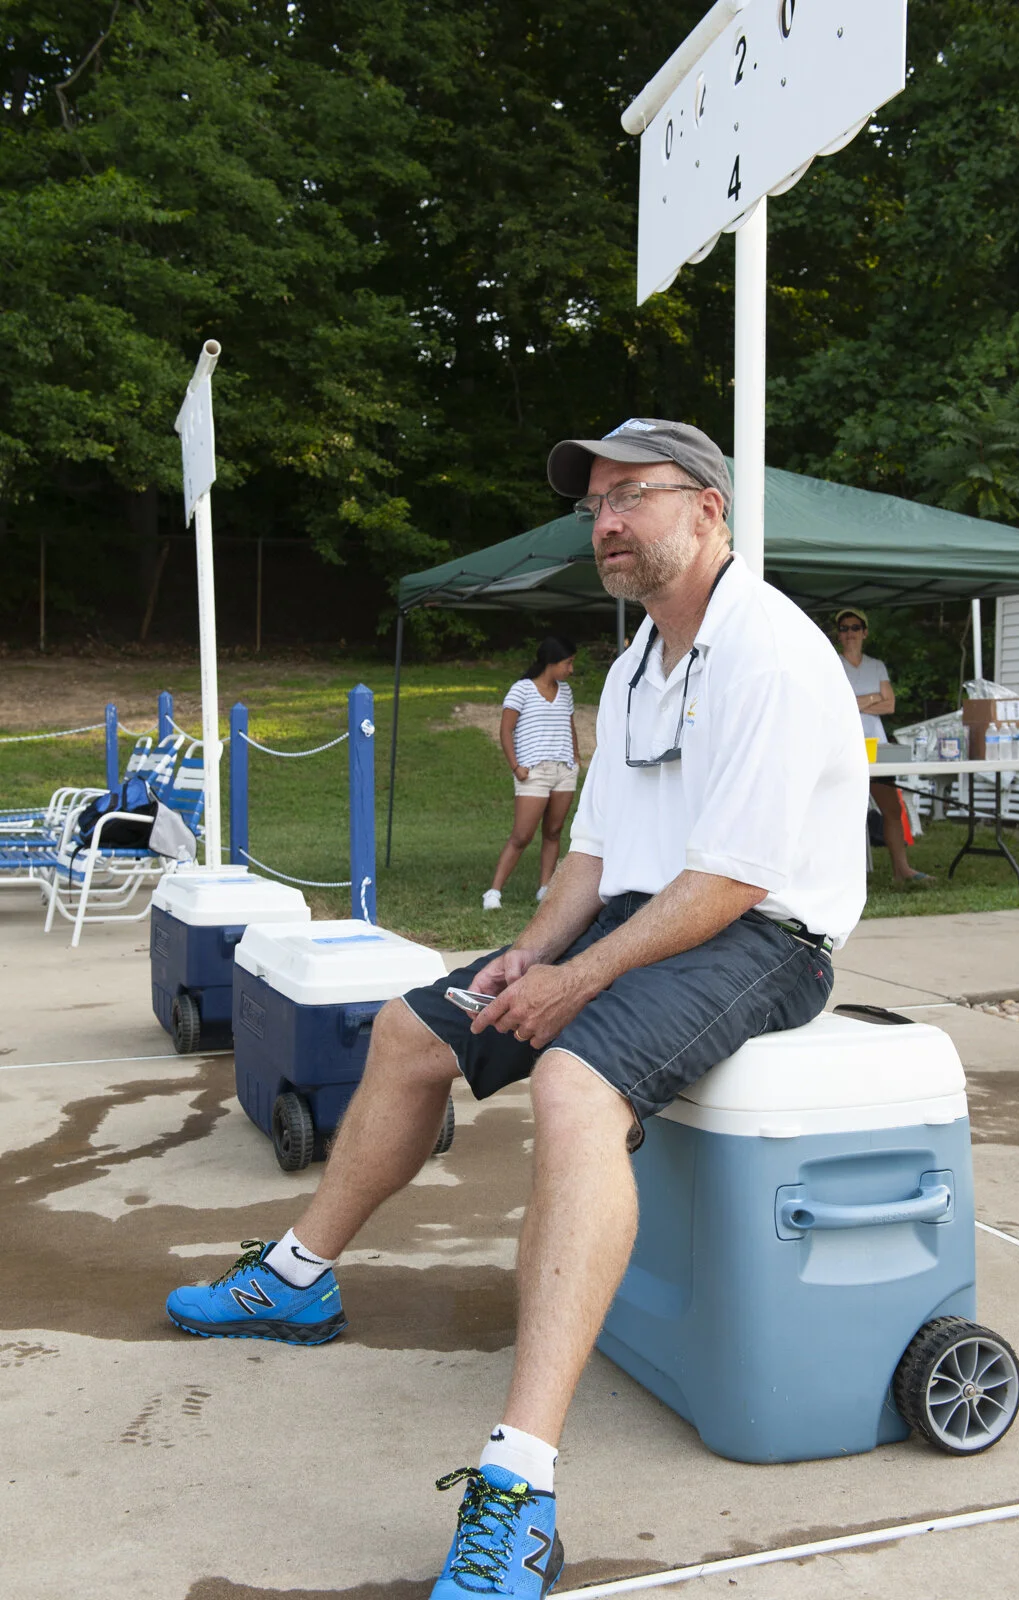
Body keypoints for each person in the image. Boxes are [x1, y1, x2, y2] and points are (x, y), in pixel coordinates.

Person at [166, 418, 869, 1600]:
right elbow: (592, 857)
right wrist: (525, 956)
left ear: (708, 509)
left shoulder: (773, 651)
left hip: (765, 935)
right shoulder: (642, 656)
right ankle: (298, 1277)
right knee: (408, 1026)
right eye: (594, 504)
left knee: (574, 1079)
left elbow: (732, 881)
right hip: (648, 915)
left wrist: (578, 979)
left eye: (629, 496)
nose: (604, 522)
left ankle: (519, 1487)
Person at [482, 636, 580, 912]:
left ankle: (545, 888)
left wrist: (575, 757)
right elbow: (505, 730)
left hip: (564, 771)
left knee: (554, 831)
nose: (571, 669)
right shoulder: (521, 690)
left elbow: (569, 724)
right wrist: (515, 766)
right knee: (522, 835)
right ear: (551, 663)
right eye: (568, 663)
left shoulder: (566, 691)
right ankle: (493, 892)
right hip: (533, 772)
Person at [835, 608, 931, 886]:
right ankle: (843, 878)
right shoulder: (833, 663)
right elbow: (839, 705)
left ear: (865, 632)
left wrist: (857, 701)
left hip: (876, 748)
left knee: (891, 809)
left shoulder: (877, 665)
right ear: (838, 634)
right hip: (845, 746)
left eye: (855, 627)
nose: (849, 633)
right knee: (843, 812)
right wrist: (872, 697)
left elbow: (890, 705)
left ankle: (902, 870)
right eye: (844, 628)